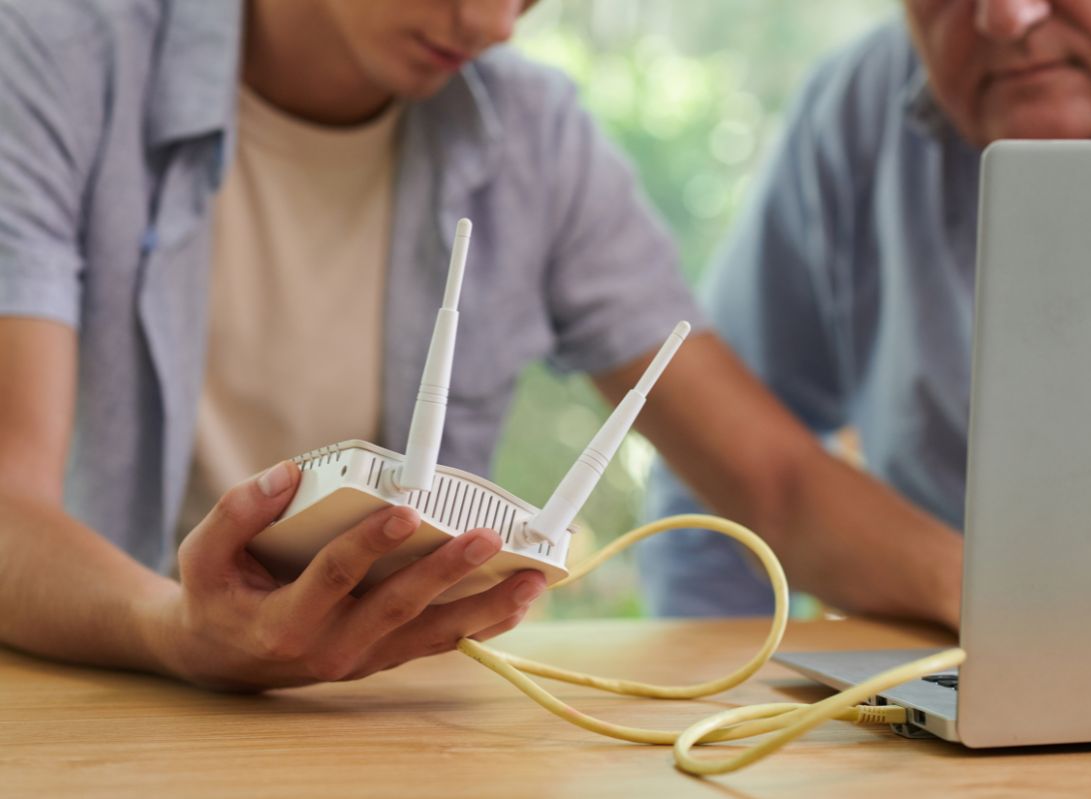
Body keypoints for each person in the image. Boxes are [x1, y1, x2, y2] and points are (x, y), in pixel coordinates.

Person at [0, 0, 969, 693]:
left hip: (386, 723)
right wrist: (174, 630)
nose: (496, 22)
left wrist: (994, 598)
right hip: (104, 700)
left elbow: (777, 481)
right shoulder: (55, 59)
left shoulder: (533, 136)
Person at [639, 0, 1091, 617]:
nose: (1007, 18)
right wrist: (726, 692)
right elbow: (714, 468)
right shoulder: (856, 112)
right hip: (949, 668)